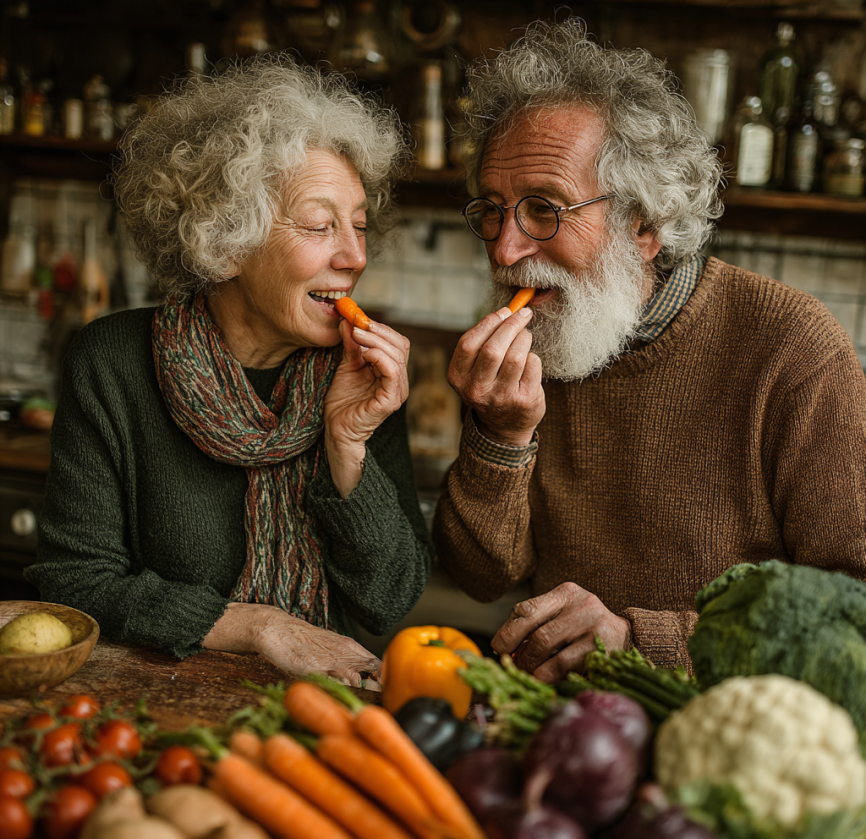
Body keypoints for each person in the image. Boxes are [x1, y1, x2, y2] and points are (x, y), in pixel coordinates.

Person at [432, 18, 866, 680]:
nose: (503, 248)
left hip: (733, 742)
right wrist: (500, 435)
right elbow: (481, 578)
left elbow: (853, 612)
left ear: (645, 224)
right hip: (559, 735)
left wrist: (640, 642)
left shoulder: (793, 349)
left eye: (544, 209)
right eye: (492, 208)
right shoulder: (540, 336)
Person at [26, 56, 434, 688]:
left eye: (357, 226)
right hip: (152, 705)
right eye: (321, 225)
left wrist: (347, 445)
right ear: (226, 241)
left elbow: (389, 600)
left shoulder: (361, 376)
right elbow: (75, 584)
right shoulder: (111, 361)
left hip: (318, 710)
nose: (353, 256)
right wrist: (260, 626)